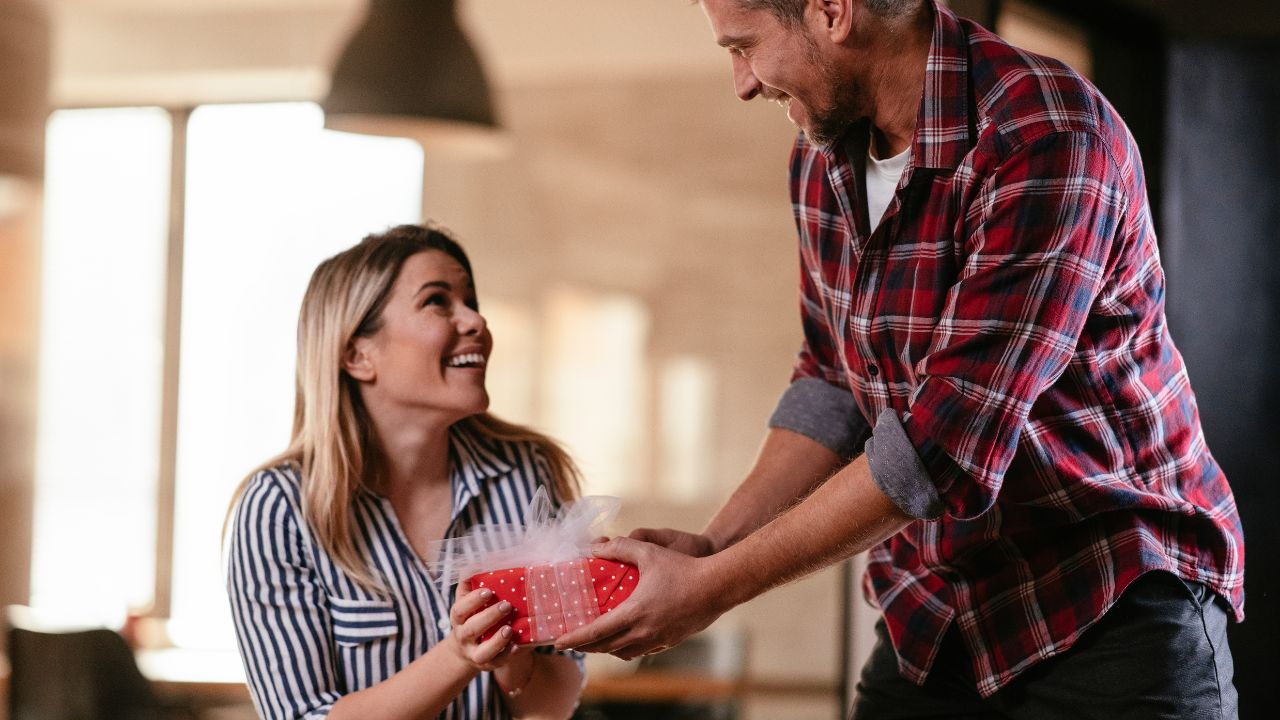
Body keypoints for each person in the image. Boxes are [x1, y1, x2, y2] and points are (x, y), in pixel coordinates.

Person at [554, 1, 1245, 717]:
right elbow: (833, 378)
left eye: (744, 46)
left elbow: (942, 447)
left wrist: (713, 589)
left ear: (832, 11)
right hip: (937, 611)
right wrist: (711, 546)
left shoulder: (1047, 135)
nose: (742, 82)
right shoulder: (821, 158)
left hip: (1107, 604)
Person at [225, 224, 584, 720]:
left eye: (470, 300)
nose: (476, 320)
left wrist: (515, 661)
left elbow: (556, 704)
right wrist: (459, 655)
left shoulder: (527, 473)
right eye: (438, 301)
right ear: (357, 355)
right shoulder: (279, 509)